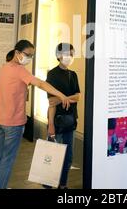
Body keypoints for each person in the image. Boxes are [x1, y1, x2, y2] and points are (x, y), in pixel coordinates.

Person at [0, 40, 73, 189]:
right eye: (27, 54)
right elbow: (41, 84)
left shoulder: (4, 68)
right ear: (17, 53)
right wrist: (61, 95)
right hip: (13, 123)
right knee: (7, 159)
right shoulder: (19, 70)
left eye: (32, 55)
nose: (29, 58)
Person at [46, 43, 81, 189]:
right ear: (59, 55)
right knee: (53, 156)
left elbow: (78, 96)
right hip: (56, 121)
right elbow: (51, 102)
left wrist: (62, 98)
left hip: (70, 121)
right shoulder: (52, 74)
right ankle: (48, 183)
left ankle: (63, 184)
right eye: (67, 54)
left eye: (72, 54)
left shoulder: (73, 74)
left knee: (68, 157)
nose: (70, 57)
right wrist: (51, 125)